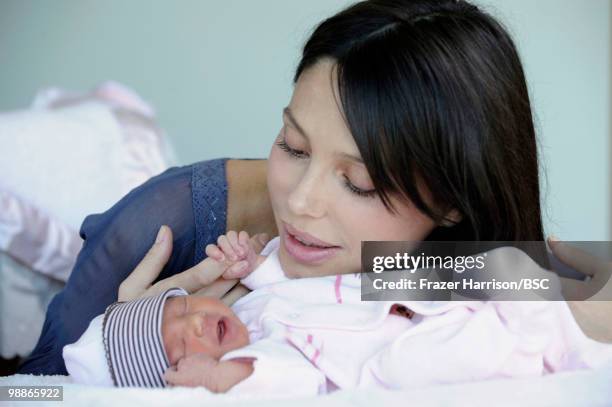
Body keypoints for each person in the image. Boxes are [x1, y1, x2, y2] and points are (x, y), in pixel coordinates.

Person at [19, 0, 612, 375]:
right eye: (293, 147)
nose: (300, 203)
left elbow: (569, 306)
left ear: (453, 202)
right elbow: (26, 396)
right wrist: (127, 334)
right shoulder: (173, 227)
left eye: (358, 182)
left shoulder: (437, 268)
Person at [63, 230, 612, 394]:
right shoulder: (252, 363)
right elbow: (292, 380)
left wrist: (254, 265)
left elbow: (289, 288)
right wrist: (221, 379)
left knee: (492, 266)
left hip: (389, 295)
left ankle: (549, 290)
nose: (195, 324)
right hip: (376, 360)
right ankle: (543, 331)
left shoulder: (251, 308)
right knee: (413, 365)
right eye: (180, 347)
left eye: (180, 309)